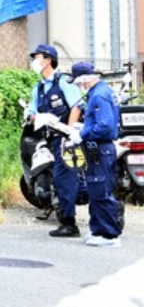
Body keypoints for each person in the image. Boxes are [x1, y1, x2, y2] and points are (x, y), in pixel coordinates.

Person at [25, 43, 83, 237]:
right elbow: (33, 111)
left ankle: (69, 223)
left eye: (37, 57)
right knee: (57, 178)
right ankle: (65, 217)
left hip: (66, 139)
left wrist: (70, 131)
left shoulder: (64, 82)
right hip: (49, 139)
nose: (34, 61)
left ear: (48, 60)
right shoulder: (38, 88)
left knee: (64, 179)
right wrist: (34, 116)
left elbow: (76, 106)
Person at [71, 60, 124, 247]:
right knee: (95, 189)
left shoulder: (99, 95)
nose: (78, 87)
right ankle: (99, 230)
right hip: (98, 148)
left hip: (100, 148)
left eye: (78, 83)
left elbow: (105, 125)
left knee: (100, 189)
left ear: (84, 80)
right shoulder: (99, 92)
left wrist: (82, 134)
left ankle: (109, 235)